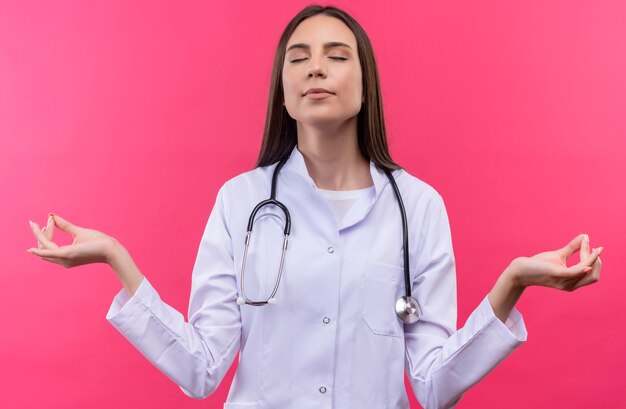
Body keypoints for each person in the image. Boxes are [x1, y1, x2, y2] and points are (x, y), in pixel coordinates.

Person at [27, 5, 603, 409]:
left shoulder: (418, 207)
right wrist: (115, 259)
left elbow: (432, 387)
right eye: (298, 57)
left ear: (364, 81)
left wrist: (512, 285)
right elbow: (200, 371)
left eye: (336, 55)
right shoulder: (241, 201)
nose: (316, 68)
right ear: (284, 89)